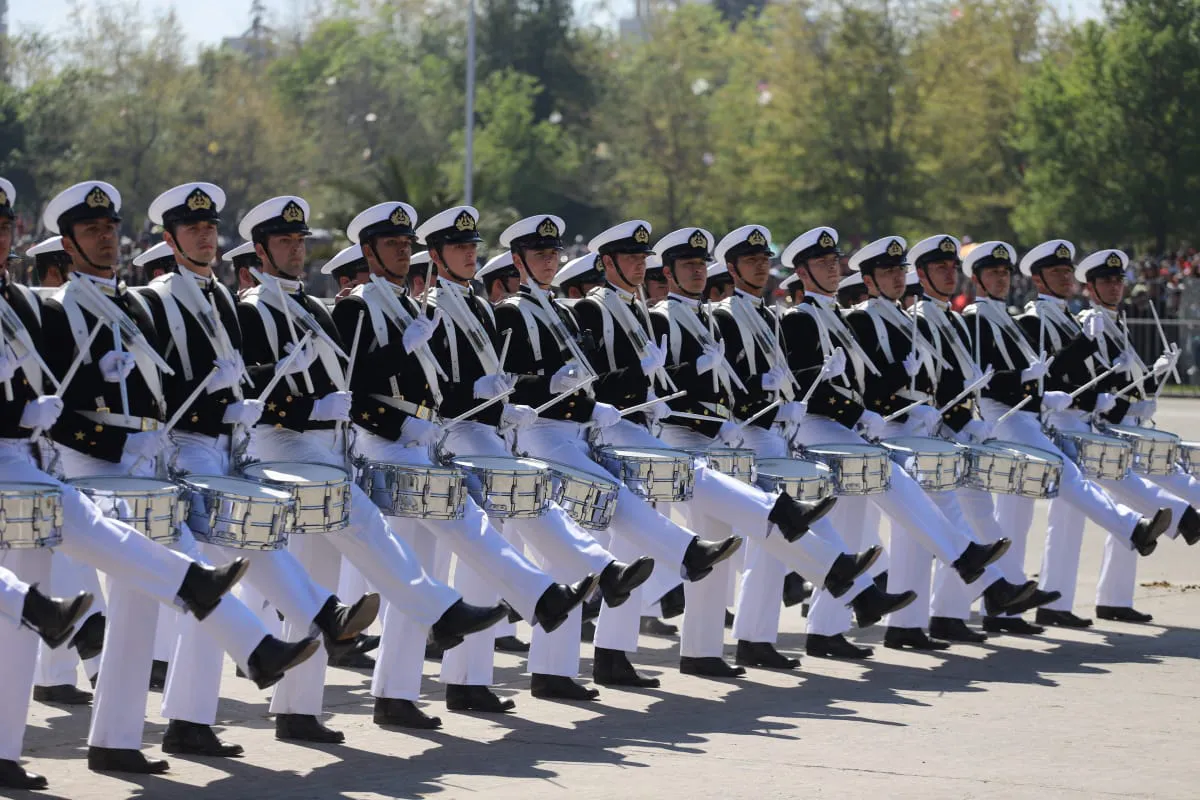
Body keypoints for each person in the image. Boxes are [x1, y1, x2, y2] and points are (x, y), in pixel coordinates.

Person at [30, 179, 319, 776]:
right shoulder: (59, 311)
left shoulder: (132, 306)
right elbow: (55, 410)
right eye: (91, 231)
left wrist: (183, 420)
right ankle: (259, 650)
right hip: (92, 464)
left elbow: (162, 391)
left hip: (146, 460)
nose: (106, 239)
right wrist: (116, 437)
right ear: (66, 242)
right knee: (190, 573)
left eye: (111, 229)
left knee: (140, 608)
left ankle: (116, 738)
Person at [235, 195, 530, 741]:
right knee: (349, 543)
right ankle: (439, 613)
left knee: (318, 573)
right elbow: (255, 387)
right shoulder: (258, 308)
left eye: (300, 241)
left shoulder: (317, 309)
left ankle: (301, 710)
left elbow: (351, 381)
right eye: (284, 242)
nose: (297, 250)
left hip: (335, 447)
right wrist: (310, 407)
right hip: (289, 446)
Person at [332, 201, 603, 717]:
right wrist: (403, 421)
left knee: (424, 567)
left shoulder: (414, 306)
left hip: (426, 439)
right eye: (390, 244)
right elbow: (353, 389)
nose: (399, 251)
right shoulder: (358, 307)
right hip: (387, 442)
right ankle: (533, 602)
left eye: (403, 243)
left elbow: (437, 385)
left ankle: (408, 691)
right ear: (369, 251)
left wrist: (501, 404)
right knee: (423, 559)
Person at [140, 182, 382, 757]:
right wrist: (221, 406)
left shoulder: (223, 299)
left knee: (223, 581)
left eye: (208, 228)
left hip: (230, 448)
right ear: (170, 240)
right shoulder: (155, 300)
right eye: (193, 229)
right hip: (184, 449)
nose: (204, 236)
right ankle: (184, 718)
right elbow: (160, 387)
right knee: (212, 582)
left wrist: (242, 403)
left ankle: (209, 715)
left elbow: (248, 378)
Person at [649, 225, 903, 674]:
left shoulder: (747, 316)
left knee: (749, 539)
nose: (762, 266)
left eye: (765, 259)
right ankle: (841, 584)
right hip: (710, 437)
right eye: (751, 261)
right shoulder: (679, 317)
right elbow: (666, 386)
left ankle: (730, 644)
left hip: (746, 433)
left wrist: (780, 400)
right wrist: (740, 403)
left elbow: (750, 376)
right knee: (756, 529)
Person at [778, 227, 1023, 658]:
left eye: (836, 262)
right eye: (823, 264)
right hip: (821, 426)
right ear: (802, 271)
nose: (833, 269)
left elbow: (867, 380)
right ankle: (963, 556)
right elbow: (809, 386)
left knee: (852, 528)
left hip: (853, 427)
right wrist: (863, 412)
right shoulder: (802, 318)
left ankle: (825, 630)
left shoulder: (836, 315)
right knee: (894, 482)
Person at [962, 240, 1171, 634]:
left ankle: (1007, 607)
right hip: (1006, 418)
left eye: (1005, 273)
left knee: (1016, 517)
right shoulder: (998, 318)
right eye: (994, 274)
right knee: (1038, 495)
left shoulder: (1011, 317)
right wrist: (1047, 376)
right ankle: (1131, 527)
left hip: (1033, 413)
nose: (1002, 280)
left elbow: (1055, 375)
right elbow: (990, 377)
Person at [1021, 244, 1198, 628]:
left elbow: (1112, 380)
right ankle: (1059, 602)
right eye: (1107, 280)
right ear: (1092, 286)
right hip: (1063, 423)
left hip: (1090, 422)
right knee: (1072, 516)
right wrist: (1109, 401)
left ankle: (1109, 597)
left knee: (1086, 511)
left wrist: (1147, 384)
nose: (1116, 287)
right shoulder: (1061, 320)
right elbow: (1054, 373)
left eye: (1119, 280)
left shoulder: (1099, 322)